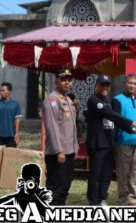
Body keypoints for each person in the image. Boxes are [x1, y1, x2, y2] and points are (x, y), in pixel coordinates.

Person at [85, 74, 136, 206]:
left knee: (106, 174)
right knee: (95, 174)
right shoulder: (94, 100)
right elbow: (112, 115)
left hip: (108, 142)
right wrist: (132, 124)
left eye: (107, 85)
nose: (105, 87)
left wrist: (132, 129)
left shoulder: (106, 100)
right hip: (97, 144)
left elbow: (114, 120)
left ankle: (102, 199)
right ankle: (93, 201)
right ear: (96, 85)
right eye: (102, 85)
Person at [42, 70, 79, 205]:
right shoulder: (52, 99)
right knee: (55, 188)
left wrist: (75, 147)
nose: (67, 82)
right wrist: (59, 151)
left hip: (69, 151)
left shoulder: (68, 99)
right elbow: (52, 127)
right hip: (58, 153)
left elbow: (71, 126)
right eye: (63, 80)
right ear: (56, 82)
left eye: (69, 80)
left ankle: (59, 214)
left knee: (65, 186)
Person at [111, 74, 136, 206]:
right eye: (130, 83)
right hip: (123, 140)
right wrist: (130, 129)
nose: (132, 85)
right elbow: (117, 120)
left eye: (135, 83)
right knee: (123, 171)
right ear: (125, 84)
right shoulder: (117, 100)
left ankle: (132, 198)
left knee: (135, 171)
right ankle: (123, 199)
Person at [0, 82, 22, 147]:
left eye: (3, 90)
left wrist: (17, 134)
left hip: (11, 136)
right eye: (0, 90)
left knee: (11, 156)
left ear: (9, 91)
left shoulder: (15, 104)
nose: (1, 92)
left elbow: (17, 120)